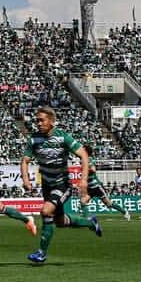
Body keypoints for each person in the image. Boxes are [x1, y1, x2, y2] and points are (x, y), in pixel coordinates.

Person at [20, 106, 101, 265]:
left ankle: (41, 253)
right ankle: (90, 222)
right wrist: (26, 179)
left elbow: (83, 154)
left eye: (41, 120)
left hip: (62, 184)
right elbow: (25, 160)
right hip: (47, 185)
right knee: (60, 221)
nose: (38, 123)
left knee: (45, 211)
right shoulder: (33, 139)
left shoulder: (63, 137)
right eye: (37, 120)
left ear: (51, 121)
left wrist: (83, 180)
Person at [81, 144, 130, 220]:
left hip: (96, 186)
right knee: (82, 202)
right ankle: (85, 219)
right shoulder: (83, 159)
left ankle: (124, 212)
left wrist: (86, 170)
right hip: (89, 187)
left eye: (83, 149)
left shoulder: (88, 159)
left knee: (109, 204)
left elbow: (93, 170)